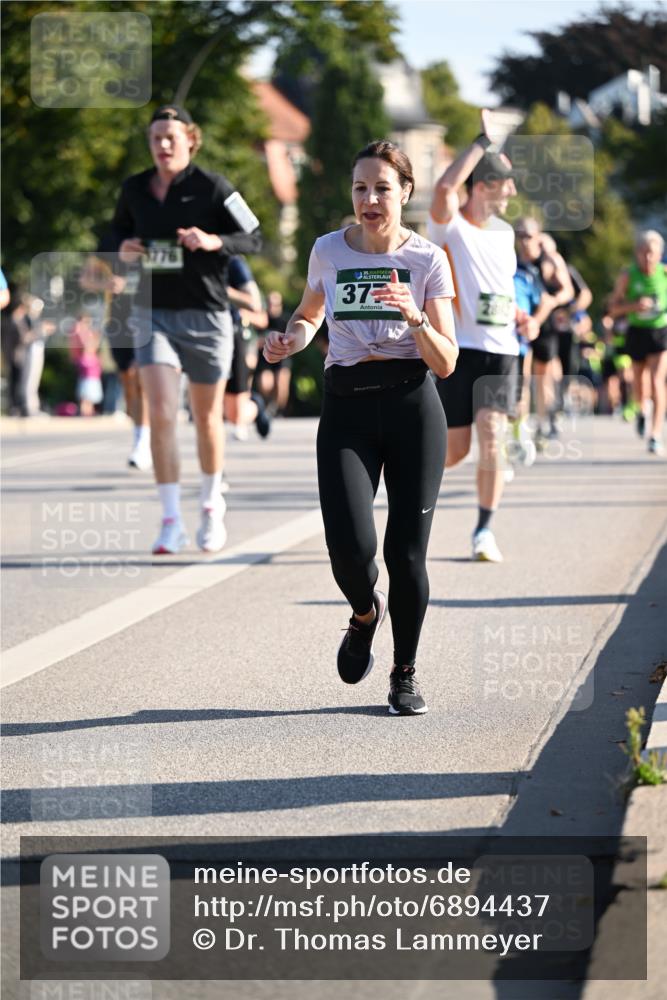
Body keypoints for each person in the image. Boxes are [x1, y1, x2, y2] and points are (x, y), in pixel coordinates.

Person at [264, 140, 457, 716]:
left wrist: (414, 315)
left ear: (405, 194)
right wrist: (288, 340)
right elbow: (308, 314)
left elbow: (445, 361)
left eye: (381, 188)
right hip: (346, 406)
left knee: (407, 555)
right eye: (360, 188)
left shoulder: (427, 261)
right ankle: (364, 613)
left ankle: (404, 672)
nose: (369, 199)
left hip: (411, 407)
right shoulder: (328, 249)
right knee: (349, 551)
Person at [109, 104, 262, 552]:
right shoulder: (134, 189)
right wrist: (123, 247)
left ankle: (212, 505)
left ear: (190, 140)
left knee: (207, 419)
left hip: (207, 316)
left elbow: (254, 236)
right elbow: (112, 236)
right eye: (156, 138)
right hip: (153, 313)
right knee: (159, 412)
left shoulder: (213, 187)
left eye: (171, 138)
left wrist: (215, 241)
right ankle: (171, 519)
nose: (163, 145)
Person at [426, 111, 538, 563]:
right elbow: (442, 190)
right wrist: (481, 142)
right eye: (504, 182)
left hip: (503, 352)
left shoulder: (506, 233)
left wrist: (521, 313)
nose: (511, 191)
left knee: (492, 434)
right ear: (482, 186)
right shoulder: (449, 227)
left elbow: (502, 289)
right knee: (455, 452)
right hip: (462, 350)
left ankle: (483, 530)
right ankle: (412, 489)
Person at [513, 219, 574, 446]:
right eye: (520, 235)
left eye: (528, 235)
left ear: (538, 236)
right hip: (521, 325)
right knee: (522, 378)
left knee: (542, 378)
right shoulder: (513, 261)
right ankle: (523, 427)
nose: (524, 240)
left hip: (545, 326)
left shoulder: (550, 260)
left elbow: (567, 290)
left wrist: (552, 301)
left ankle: (543, 421)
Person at [609, 230, 667, 455]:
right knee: (639, 382)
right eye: (643, 253)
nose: (648, 258)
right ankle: (642, 409)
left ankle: (655, 434)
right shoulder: (628, 276)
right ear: (637, 254)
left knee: (657, 381)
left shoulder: (664, 273)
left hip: (660, 330)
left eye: (652, 253)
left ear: (660, 253)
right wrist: (633, 306)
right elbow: (613, 308)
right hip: (637, 331)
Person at [224, 254, 270, 440]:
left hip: (241, 340)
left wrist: (244, 314)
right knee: (224, 407)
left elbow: (262, 317)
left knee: (235, 411)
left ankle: (253, 408)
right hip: (206, 336)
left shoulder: (234, 264)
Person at [254, 291, 293, 414]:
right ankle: (268, 405)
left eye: (276, 304)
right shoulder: (261, 320)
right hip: (265, 357)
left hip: (282, 356)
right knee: (265, 384)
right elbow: (254, 339)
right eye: (270, 303)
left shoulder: (286, 320)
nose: (273, 306)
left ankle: (279, 410)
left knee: (281, 383)